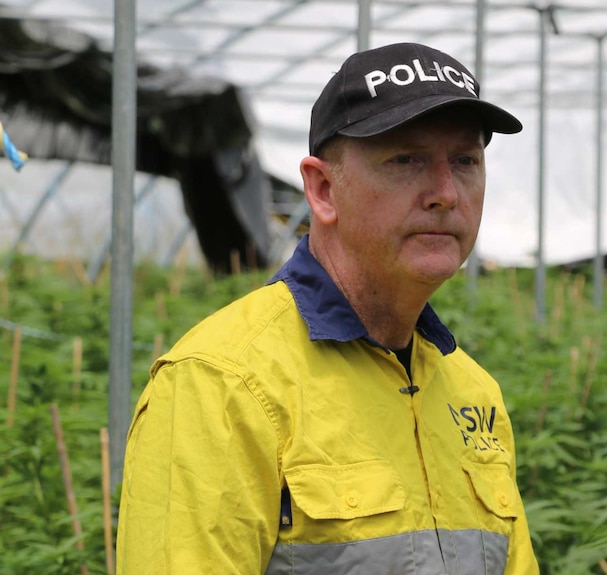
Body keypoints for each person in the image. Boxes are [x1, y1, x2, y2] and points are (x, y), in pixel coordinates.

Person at [117, 42, 539, 575]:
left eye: (465, 161)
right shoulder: (220, 384)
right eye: (405, 159)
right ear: (322, 189)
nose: (445, 193)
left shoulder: (474, 392)